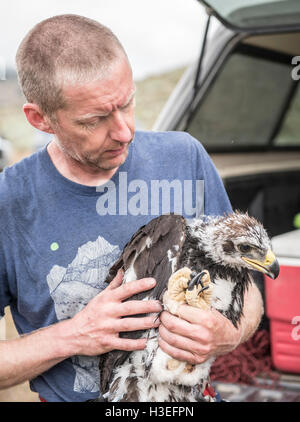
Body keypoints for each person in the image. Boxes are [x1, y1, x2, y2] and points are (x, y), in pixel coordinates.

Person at [0, 14, 263, 402]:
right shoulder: (10, 201)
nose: (124, 131)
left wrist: (229, 333)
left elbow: (248, 290)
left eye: (127, 103)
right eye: (95, 120)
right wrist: (74, 334)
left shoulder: (184, 157)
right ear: (41, 119)